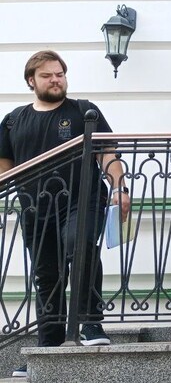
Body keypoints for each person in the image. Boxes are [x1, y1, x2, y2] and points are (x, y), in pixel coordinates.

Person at [0, 50, 130, 377]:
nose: (56, 79)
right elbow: (4, 166)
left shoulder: (84, 110)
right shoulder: (14, 119)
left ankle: (90, 324)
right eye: (47, 75)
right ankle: (49, 344)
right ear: (32, 81)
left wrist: (119, 188)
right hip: (35, 207)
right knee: (47, 273)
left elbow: (107, 154)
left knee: (80, 246)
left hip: (82, 198)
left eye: (59, 73)